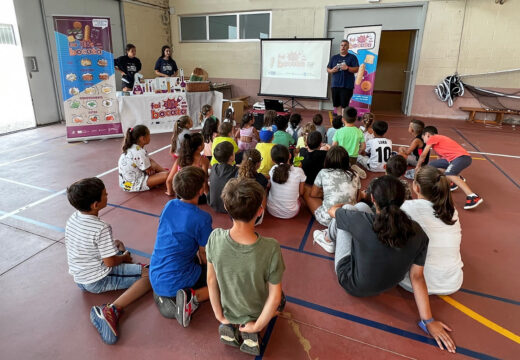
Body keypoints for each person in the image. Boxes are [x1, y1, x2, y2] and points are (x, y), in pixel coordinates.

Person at [317, 176, 456, 353]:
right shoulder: (419, 232)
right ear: (403, 200)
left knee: (347, 211)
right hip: (389, 284)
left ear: (373, 199)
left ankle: (327, 239)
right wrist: (428, 320)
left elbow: (332, 211)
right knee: (359, 209)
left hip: (351, 282)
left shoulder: (363, 223)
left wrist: (345, 209)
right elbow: (417, 277)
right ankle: (335, 234)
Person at [65, 177, 151, 345]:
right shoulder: (101, 227)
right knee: (150, 278)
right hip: (98, 279)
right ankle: (110, 310)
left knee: (119, 247)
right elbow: (110, 263)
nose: (108, 194)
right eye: (105, 194)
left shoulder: (74, 218)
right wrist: (124, 257)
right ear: (95, 205)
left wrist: (114, 250)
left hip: (80, 276)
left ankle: (136, 267)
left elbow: (84, 245)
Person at [206, 178, 285, 356]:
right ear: (259, 211)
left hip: (228, 309)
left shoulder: (215, 237)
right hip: (257, 312)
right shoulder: (271, 247)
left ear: (226, 207)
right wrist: (257, 325)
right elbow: (275, 296)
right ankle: (250, 331)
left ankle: (229, 325)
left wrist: (219, 315)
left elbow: (211, 280)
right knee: (280, 302)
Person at [150, 166, 212, 327]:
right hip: (178, 280)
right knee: (222, 282)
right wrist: (209, 273)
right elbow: (204, 254)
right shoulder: (202, 218)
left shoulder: (169, 206)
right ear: (201, 190)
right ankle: (192, 298)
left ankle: (171, 299)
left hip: (156, 275)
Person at [400, 166, 463, 295]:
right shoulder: (452, 211)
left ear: (416, 187)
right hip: (452, 282)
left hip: (413, 282)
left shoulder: (406, 207)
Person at [416, 126, 483, 210]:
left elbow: (423, 155)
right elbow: (440, 160)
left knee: (450, 173)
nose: (424, 141)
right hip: (452, 160)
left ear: (428, 135)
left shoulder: (433, 138)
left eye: (423, 138)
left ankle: (473, 196)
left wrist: (418, 167)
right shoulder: (438, 143)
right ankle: (454, 180)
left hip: (462, 157)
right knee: (431, 165)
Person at [307, 146, 360, 227]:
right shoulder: (355, 174)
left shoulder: (323, 172)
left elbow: (314, 194)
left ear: (328, 159)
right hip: (349, 218)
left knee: (306, 190)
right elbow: (356, 198)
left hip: (329, 220)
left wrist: (328, 193)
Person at [118, 125, 168, 192]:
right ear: (142, 138)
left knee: (151, 162)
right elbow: (149, 171)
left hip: (125, 184)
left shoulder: (131, 148)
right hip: (134, 185)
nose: (150, 137)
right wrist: (155, 170)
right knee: (166, 175)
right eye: (148, 135)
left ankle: (164, 172)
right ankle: (168, 173)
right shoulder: (139, 151)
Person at [267, 145, 306, 219]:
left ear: (272, 160)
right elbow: (301, 193)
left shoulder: (272, 170)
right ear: (290, 156)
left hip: (271, 210)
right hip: (291, 213)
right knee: (306, 188)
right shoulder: (298, 171)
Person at [166, 133, 209, 199]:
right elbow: (204, 181)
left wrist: (170, 192)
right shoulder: (203, 160)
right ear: (199, 147)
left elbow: (169, 180)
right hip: (197, 195)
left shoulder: (180, 159)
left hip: (181, 195)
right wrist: (209, 196)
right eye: (203, 143)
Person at [327, 40, 359, 115]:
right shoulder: (334, 57)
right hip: (335, 85)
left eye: (345, 45)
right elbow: (328, 69)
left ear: (348, 47)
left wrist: (347, 68)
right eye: (341, 45)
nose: (343, 47)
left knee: (345, 105)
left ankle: (345, 122)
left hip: (347, 86)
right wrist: (332, 70)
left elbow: (357, 69)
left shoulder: (352, 57)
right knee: (337, 105)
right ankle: (339, 120)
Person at [237, 149, 269, 225]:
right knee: (264, 192)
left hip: (236, 217)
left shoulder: (236, 175)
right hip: (255, 219)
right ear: (258, 164)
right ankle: (261, 213)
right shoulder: (262, 179)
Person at [208, 141, 238, 213]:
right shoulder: (236, 171)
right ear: (231, 157)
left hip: (213, 204)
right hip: (229, 207)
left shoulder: (214, 167)